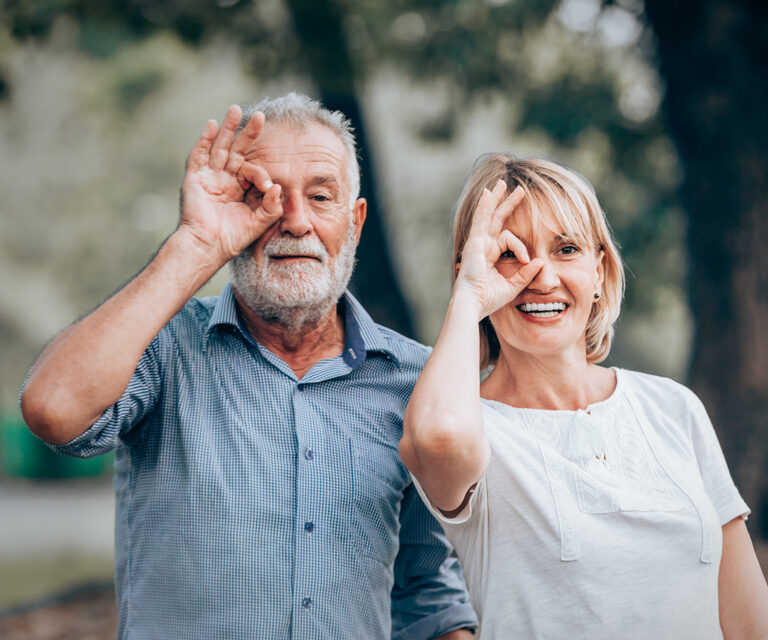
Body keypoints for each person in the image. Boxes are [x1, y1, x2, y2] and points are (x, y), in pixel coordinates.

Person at [19, 93, 476, 640]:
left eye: (321, 197)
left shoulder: (416, 381)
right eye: (264, 197)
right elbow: (52, 409)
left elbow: (427, 593)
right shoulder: (165, 348)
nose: (295, 221)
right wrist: (195, 243)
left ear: (355, 222)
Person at [399, 154, 768, 638]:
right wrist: (470, 293)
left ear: (600, 270)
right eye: (509, 254)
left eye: (565, 249)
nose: (540, 277)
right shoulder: (476, 429)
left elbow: (752, 622)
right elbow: (435, 440)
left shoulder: (673, 407)